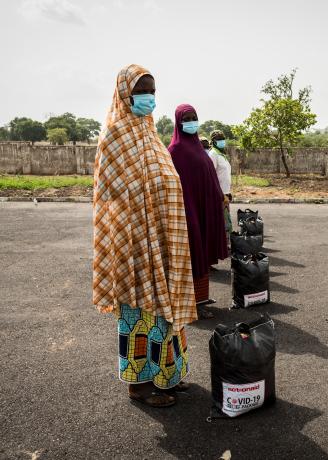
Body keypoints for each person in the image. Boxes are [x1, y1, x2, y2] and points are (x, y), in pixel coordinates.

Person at [93, 65, 197, 408]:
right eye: (142, 92)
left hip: (164, 241)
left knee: (166, 313)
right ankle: (139, 385)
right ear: (125, 94)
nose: (148, 98)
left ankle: (168, 375)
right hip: (134, 242)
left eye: (152, 91)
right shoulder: (115, 134)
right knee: (140, 316)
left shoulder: (150, 133)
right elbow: (108, 194)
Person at [168, 104, 228, 319]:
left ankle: (201, 299)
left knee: (203, 255)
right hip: (188, 212)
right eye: (187, 118)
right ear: (178, 122)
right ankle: (190, 303)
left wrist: (219, 197)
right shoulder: (174, 151)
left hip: (205, 209)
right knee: (193, 255)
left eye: (194, 117)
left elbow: (208, 176)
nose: (192, 122)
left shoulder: (197, 147)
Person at [209, 130, 233, 245]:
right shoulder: (213, 154)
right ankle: (221, 245)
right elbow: (211, 175)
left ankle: (225, 244)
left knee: (226, 220)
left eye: (223, 138)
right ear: (213, 141)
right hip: (219, 194)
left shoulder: (221, 154)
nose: (222, 141)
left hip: (225, 192)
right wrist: (221, 194)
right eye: (219, 139)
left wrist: (228, 192)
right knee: (222, 221)